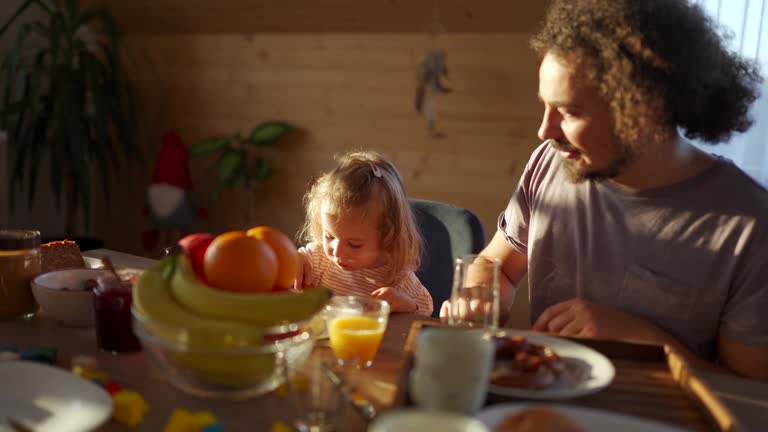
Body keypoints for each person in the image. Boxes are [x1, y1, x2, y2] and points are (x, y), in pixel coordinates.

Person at [441, 0, 768, 379]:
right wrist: (480, 294)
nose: (545, 131)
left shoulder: (751, 226)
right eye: (545, 107)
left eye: (568, 112)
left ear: (643, 109)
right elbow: (497, 266)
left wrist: (648, 340)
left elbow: (750, 396)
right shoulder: (550, 164)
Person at [296, 151, 434, 316]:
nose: (337, 252)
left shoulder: (399, 278)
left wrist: (407, 304)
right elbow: (293, 263)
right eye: (329, 236)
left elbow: (426, 311)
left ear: (387, 237)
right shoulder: (317, 260)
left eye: (354, 245)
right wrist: (294, 262)